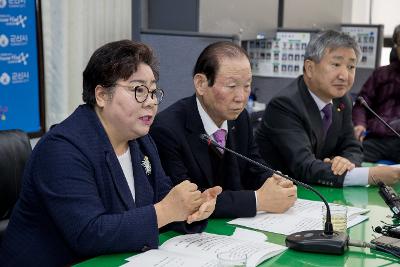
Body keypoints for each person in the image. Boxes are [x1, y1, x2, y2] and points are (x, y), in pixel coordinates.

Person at [0, 40, 221, 266]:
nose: (151, 102)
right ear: (102, 95)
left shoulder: (142, 142)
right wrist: (165, 211)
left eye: (154, 92)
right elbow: (88, 233)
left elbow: (164, 199)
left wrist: (192, 209)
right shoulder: (61, 149)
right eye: (139, 90)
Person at [150, 41, 297, 218]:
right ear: (201, 83)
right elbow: (188, 200)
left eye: (247, 85)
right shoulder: (167, 129)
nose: (241, 97)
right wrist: (258, 200)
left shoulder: (240, 118)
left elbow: (253, 164)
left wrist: (274, 181)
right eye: (232, 86)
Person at [256, 30, 400, 187]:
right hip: (280, 194)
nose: (344, 75)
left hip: (317, 191)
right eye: (336, 64)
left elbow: (352, 146)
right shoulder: (285, 105)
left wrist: (346, 162)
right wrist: (368, 176)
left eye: (351, 66)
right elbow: (304, 166)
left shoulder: (341, 99)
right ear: (310, 68)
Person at [352, 24, 400, 163]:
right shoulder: (381, 74)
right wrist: (359, 124)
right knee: (352, 158)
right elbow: (362, 103)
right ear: (396, 47)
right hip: (377, 139)